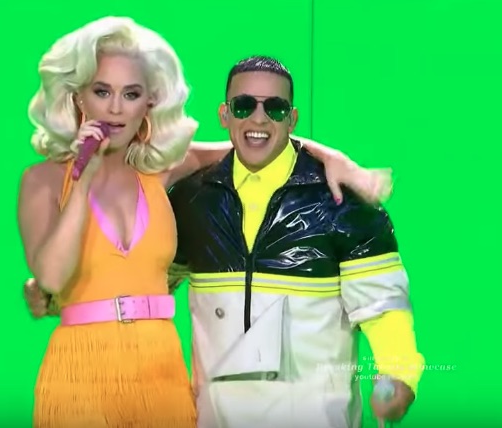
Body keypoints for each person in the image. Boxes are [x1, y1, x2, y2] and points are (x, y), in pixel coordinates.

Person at [19, 15, 394, 427]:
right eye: (102, 91)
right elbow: (51, 278)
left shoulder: (159, 169)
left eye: (131, 93)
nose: (115, 108)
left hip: (161, 369)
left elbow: (257, 139)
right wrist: (82, 178)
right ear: (78, 97)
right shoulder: (43, 181)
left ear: (149, 102)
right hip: (80, 370)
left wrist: (335, 159)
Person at [165, 56, 425, 428]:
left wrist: (398, 377)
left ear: (292, 119)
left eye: (274, 107)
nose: (259, 118)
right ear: (224, 115)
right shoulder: (191, 202)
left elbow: (383, 308)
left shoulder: (344, 204)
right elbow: (145, 283)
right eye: (244, 105)